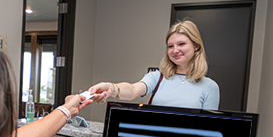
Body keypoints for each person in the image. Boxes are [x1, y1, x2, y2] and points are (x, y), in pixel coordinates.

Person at [88, 20, 219, 110]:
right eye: (170, 46)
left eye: (181, 44)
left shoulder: (210, 87)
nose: (175, 50)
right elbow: (133, 90)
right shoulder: (157, 77)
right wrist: (110, 88)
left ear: (196, 46)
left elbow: (209, 130)